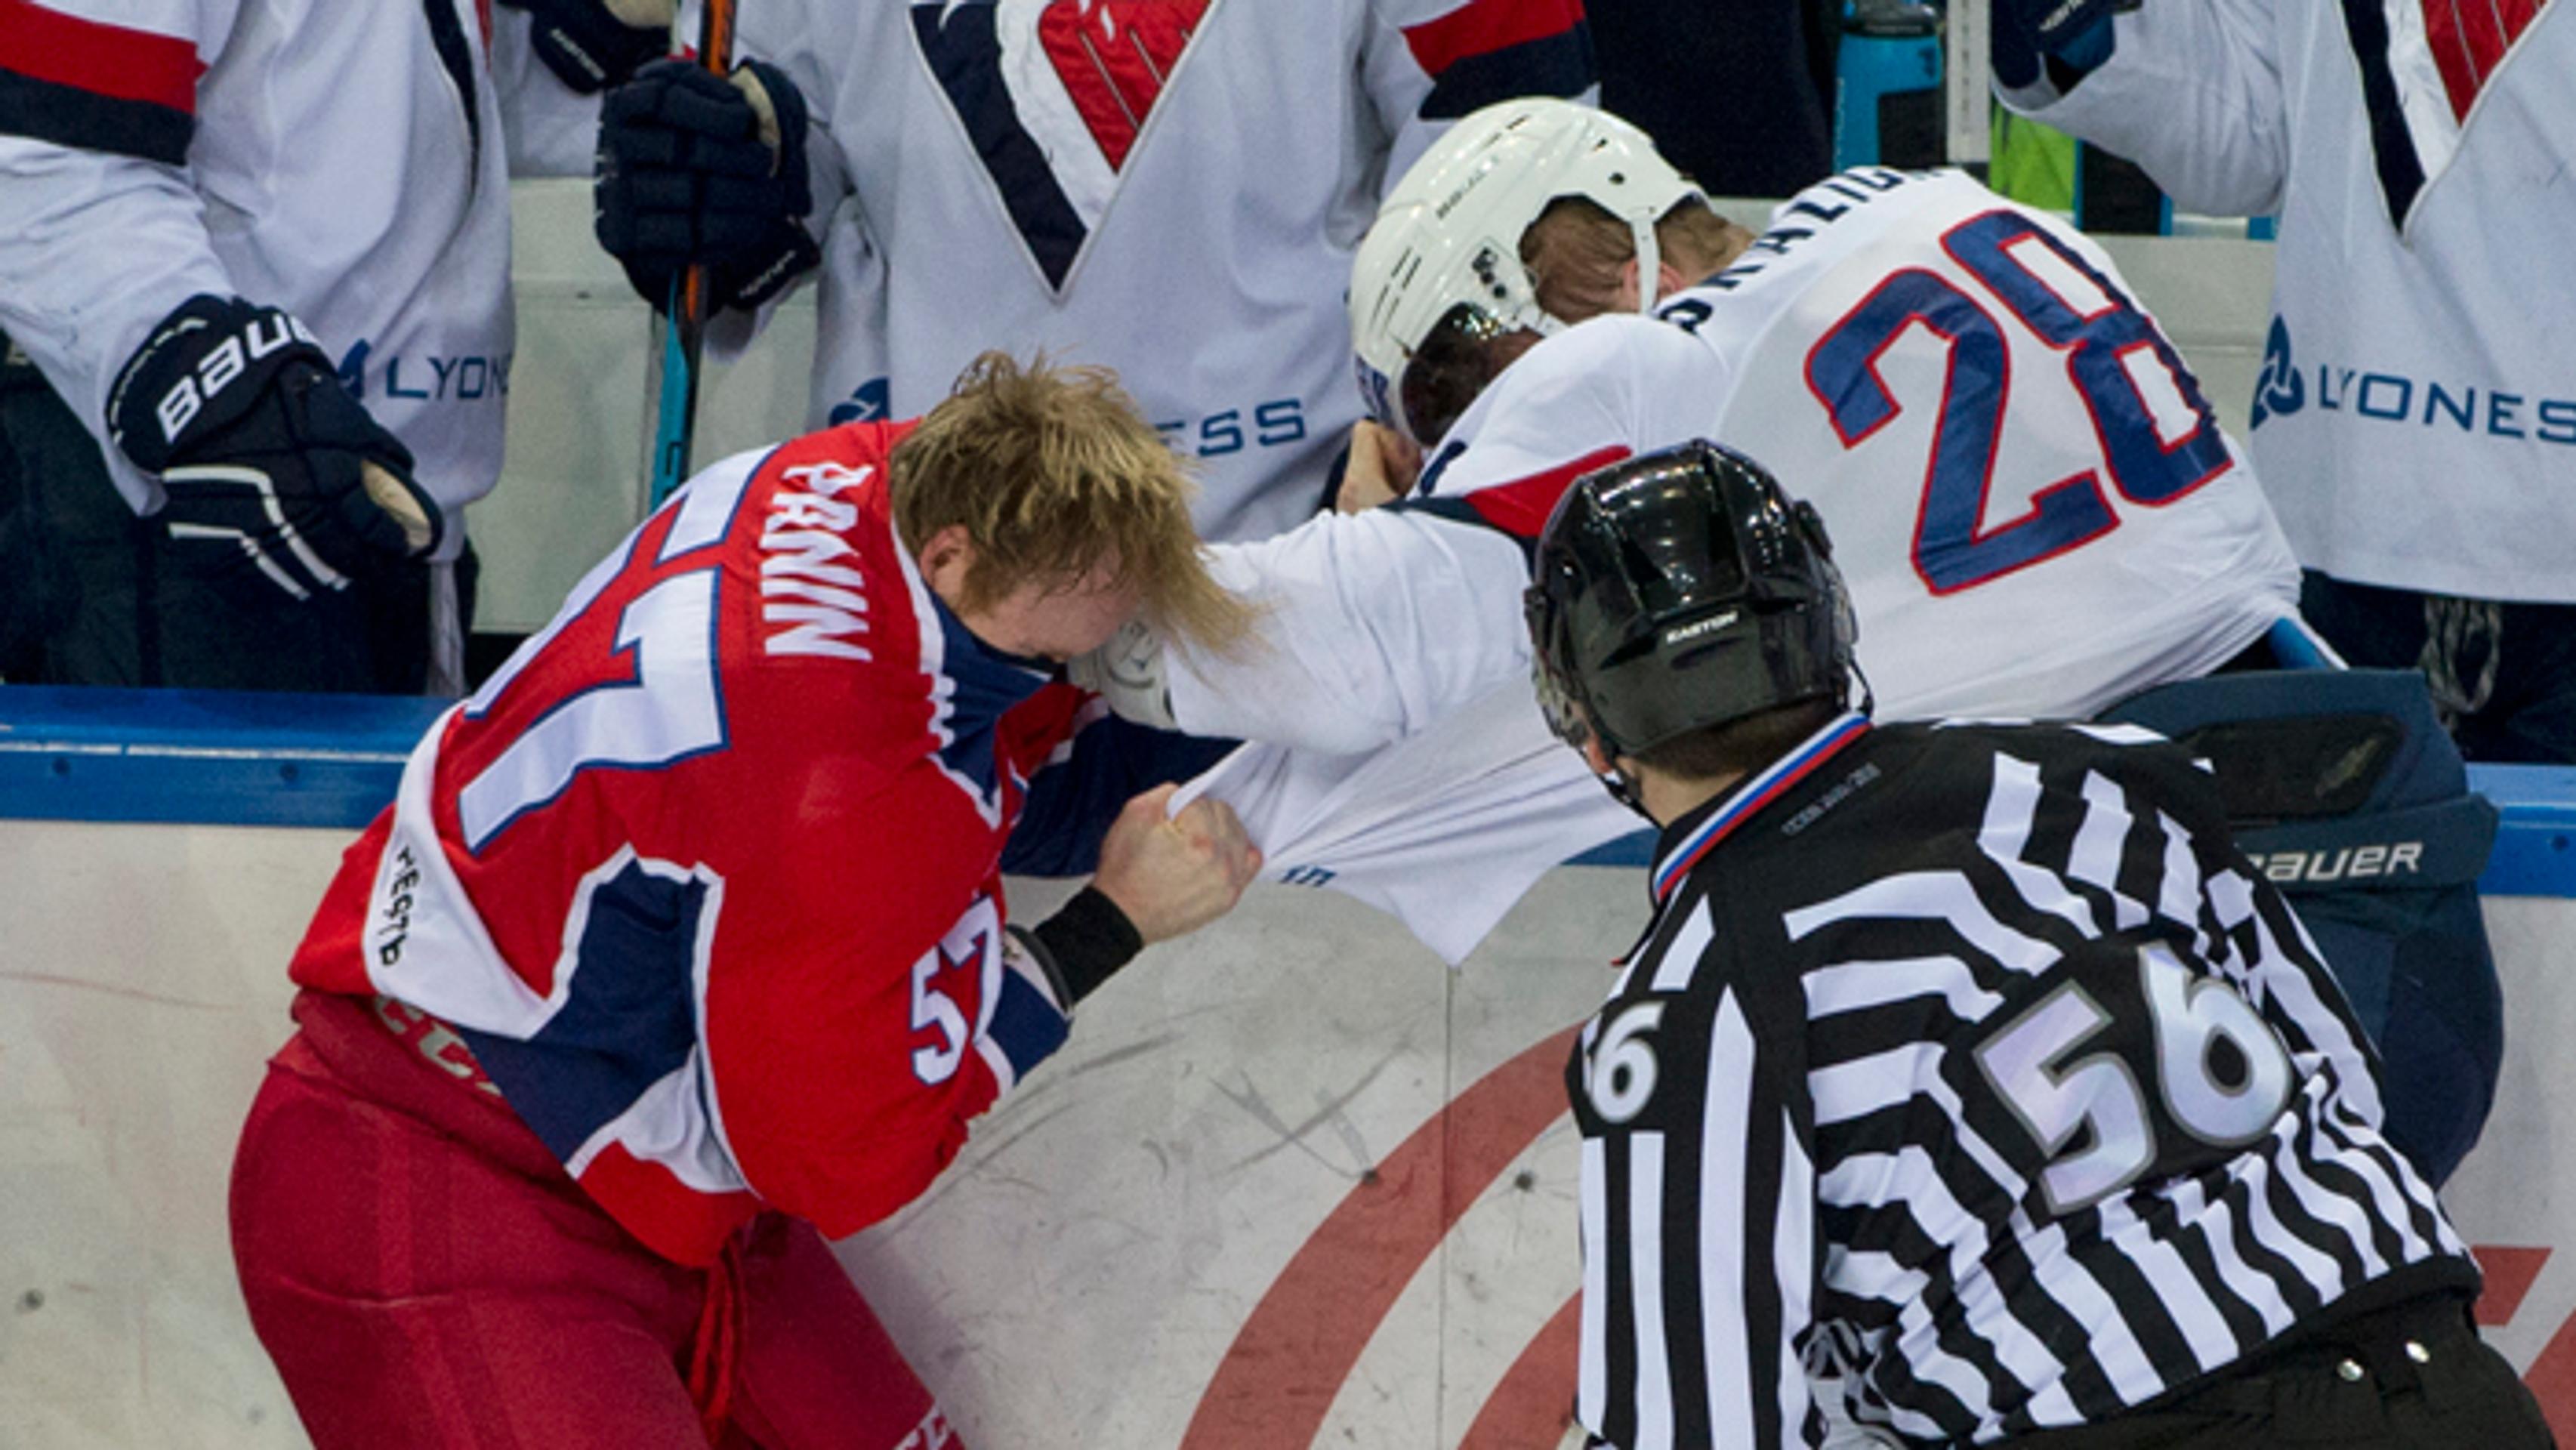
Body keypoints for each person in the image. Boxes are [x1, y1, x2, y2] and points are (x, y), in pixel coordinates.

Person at [227, 353, 1264, 1446]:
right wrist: (1107, 929)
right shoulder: (843, 785)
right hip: (433, 1199)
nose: (1067, 677)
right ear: (953, 557)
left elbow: (987, 764)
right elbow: (838, 1155)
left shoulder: (851, 472)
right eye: (1052, 656)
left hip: (623, 1167)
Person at [1073, 99, 2302, 964]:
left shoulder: (1626, 373)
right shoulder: (1937, 208)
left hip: (2123, 934)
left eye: (1450, 383)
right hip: (2346, 799)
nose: (1454, 439)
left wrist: (1051, 592)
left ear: (1592, 265)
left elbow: (1331, 652)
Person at [1528, 439, 2553, 1450]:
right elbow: (2342, 1088)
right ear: (1826, 624)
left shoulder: (1691, 998)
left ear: (1590, 733)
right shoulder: (2096, 775)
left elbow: (1688, 1430)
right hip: (2447, 1393)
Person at [588, 0, 1596, 546]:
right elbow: (771, 180)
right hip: (924, 554)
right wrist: (718, 198)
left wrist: (1436, 453)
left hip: (1291, 556)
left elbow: (1513, 166)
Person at [0, 0, 664, 693]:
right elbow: (39, 149)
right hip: (197, 523)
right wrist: (205, 390)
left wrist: (635, 113)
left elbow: (373, 101)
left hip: (396, 511)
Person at [1991, 1, 2576, 764]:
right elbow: (2259, 128)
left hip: (2547, 544)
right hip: (2339, 525)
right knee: (2321, 879)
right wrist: (2086, 41)